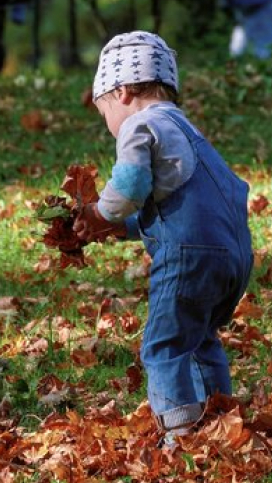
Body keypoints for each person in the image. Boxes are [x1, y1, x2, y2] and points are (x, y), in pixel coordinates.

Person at [73, 31, 254, 445]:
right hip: (232, 255)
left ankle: (180, 434)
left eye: (104, 115)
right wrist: (120, 227)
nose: (110, 127)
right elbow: (178, 207)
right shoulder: (185, 128)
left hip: (189, 257)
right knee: (200, 338)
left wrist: (100, 212)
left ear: (121, 92)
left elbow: (131, 184)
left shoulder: (140, 124)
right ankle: (219, 419)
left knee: (164, 346)